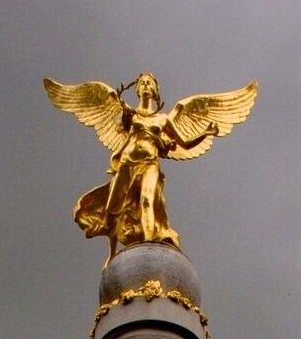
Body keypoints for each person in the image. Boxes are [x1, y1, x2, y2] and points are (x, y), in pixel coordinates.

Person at [74, 73, 218, 268]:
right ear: (137, 89)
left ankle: (148, 248)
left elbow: (184, 143)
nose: (145, 85)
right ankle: (112, 253)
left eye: (149, 83)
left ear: (155, 90)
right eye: (142, 83)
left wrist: (205, 133)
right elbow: (120, 128)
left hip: (150, 163)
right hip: (127, 164)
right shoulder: (130, 114)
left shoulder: (163, 119)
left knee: (147, 199)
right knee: (112, 209)